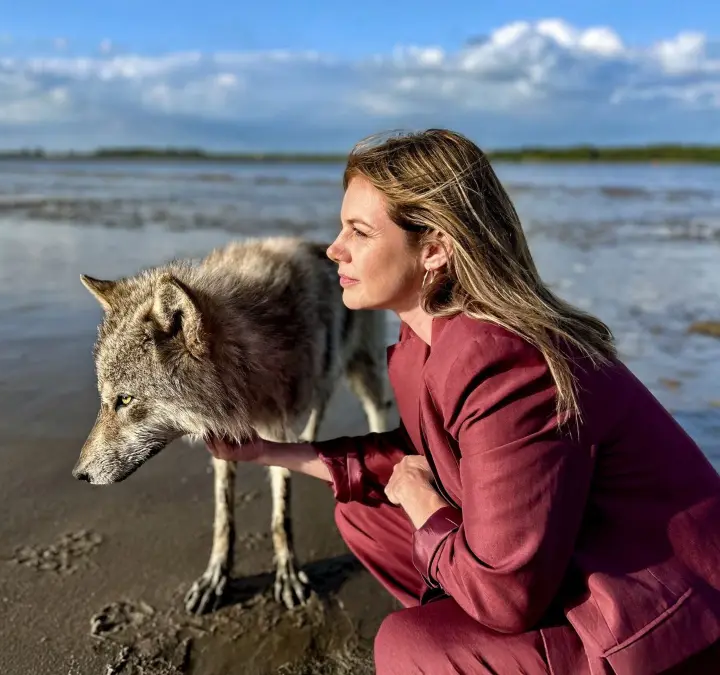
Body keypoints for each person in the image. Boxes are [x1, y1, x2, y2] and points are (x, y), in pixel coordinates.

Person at [205, 129, 720, 674]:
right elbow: (413, 456)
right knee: (365, 512)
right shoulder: (427, 338)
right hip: (564, 567)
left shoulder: (502, 361)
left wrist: (427, 511)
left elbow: (506, 597)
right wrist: (265, 452)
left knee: (408, 645)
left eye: (358, 231)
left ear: (433, 249)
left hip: (664, 627)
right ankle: (477, 634)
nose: (334, 248)